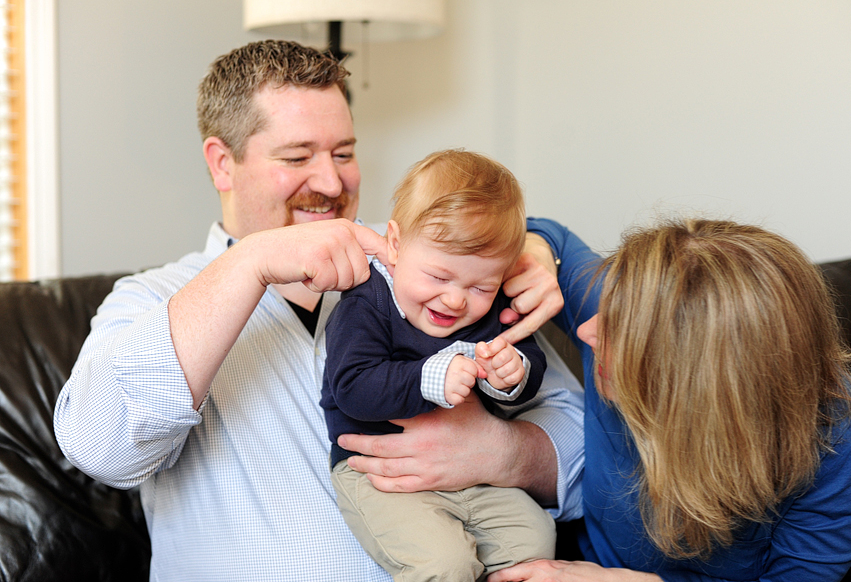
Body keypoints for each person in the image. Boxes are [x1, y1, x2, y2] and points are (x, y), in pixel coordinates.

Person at [52, 40, 585, 581]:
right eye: (297, 157)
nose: (332, 184)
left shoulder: (429, 268)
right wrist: (252, 262)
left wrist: (502, 452)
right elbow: (99, 448)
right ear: (222, 164)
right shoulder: (154, 298)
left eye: (345, 153)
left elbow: (593, 444)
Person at [489, 217, 851, 582]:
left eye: (620, 330)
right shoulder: (629, 313)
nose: (587, 332)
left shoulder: (843, 441)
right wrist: (537, 254)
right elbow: (551, 236)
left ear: (691, 379)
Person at [323, 149, 557, 581]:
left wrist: (514, 373)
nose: (455, 299)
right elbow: (351, 386)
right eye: (438, 277)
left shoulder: (490, 307)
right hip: (382, 476)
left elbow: (531, 364)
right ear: (395, 245)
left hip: (474, 473)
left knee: (534, 540)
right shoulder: (366, 303)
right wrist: (432, 377)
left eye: (481, 286)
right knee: (443, 563)